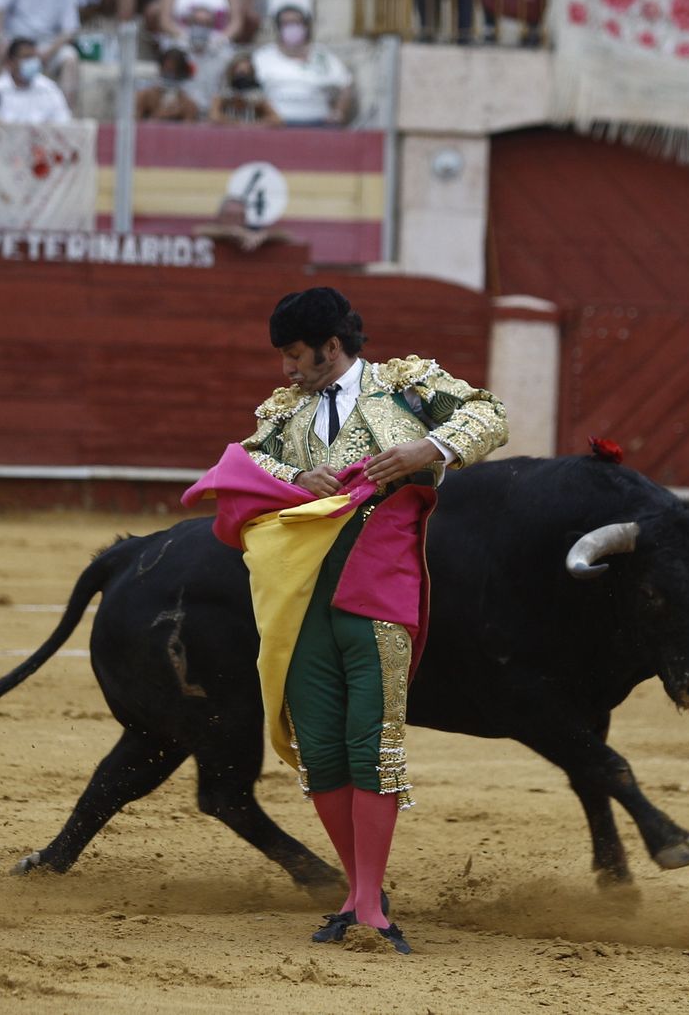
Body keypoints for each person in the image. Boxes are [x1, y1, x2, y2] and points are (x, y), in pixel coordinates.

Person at [183, 287, 509, 957]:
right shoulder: (286, 410)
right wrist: (299, 479)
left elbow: (490, 413)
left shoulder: (406, 385)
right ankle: (361, 896)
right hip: (302, 596)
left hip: (379, 586)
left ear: (331, 347)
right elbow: (242, 462)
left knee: (372, 746)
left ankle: (366, 903)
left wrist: (428, 448)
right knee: (323, 749)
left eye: (294, 354)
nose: (286, 368)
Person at [252, 6, 355, 127]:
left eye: (296, 22)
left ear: (306, 26)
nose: (292, 27)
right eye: (286, 23)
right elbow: (245, 90)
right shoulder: (262, 57)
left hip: (320, 124)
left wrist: (339, 113)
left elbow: (346, 84)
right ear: (278, 28)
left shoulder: (323, 56)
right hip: (274, 124)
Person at [0, 37, 72, 124]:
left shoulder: (49, 88)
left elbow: (63, 121)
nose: (32, 62)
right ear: (10, 62)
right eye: (26, 57)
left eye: (34, 58)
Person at [193, 194, 296, 249]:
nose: (235, 220)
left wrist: (263, 235)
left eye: (240, 216)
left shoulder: (251, 230)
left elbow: (287, 235)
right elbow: (198, 231)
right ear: (220, 216)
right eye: (230, 216)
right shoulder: (213, 229)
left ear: (245, 218)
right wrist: (231, 231)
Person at [209, 52, 280, 126]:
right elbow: (213, 117)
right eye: (239, 73)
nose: (242, 79)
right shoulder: (223, 94)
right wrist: (236, 122)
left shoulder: (258, 97)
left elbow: (276, 120)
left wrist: (251, 123)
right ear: (231, 73)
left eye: (246, 73)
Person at [135, 46, 203, 122]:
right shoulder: (146, 96)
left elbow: (189, 125)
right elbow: (134, 121)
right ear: (161, 68)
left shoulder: (188, 103)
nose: (169, 75)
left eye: (174, 71)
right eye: (167, 70)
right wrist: (159, 116)